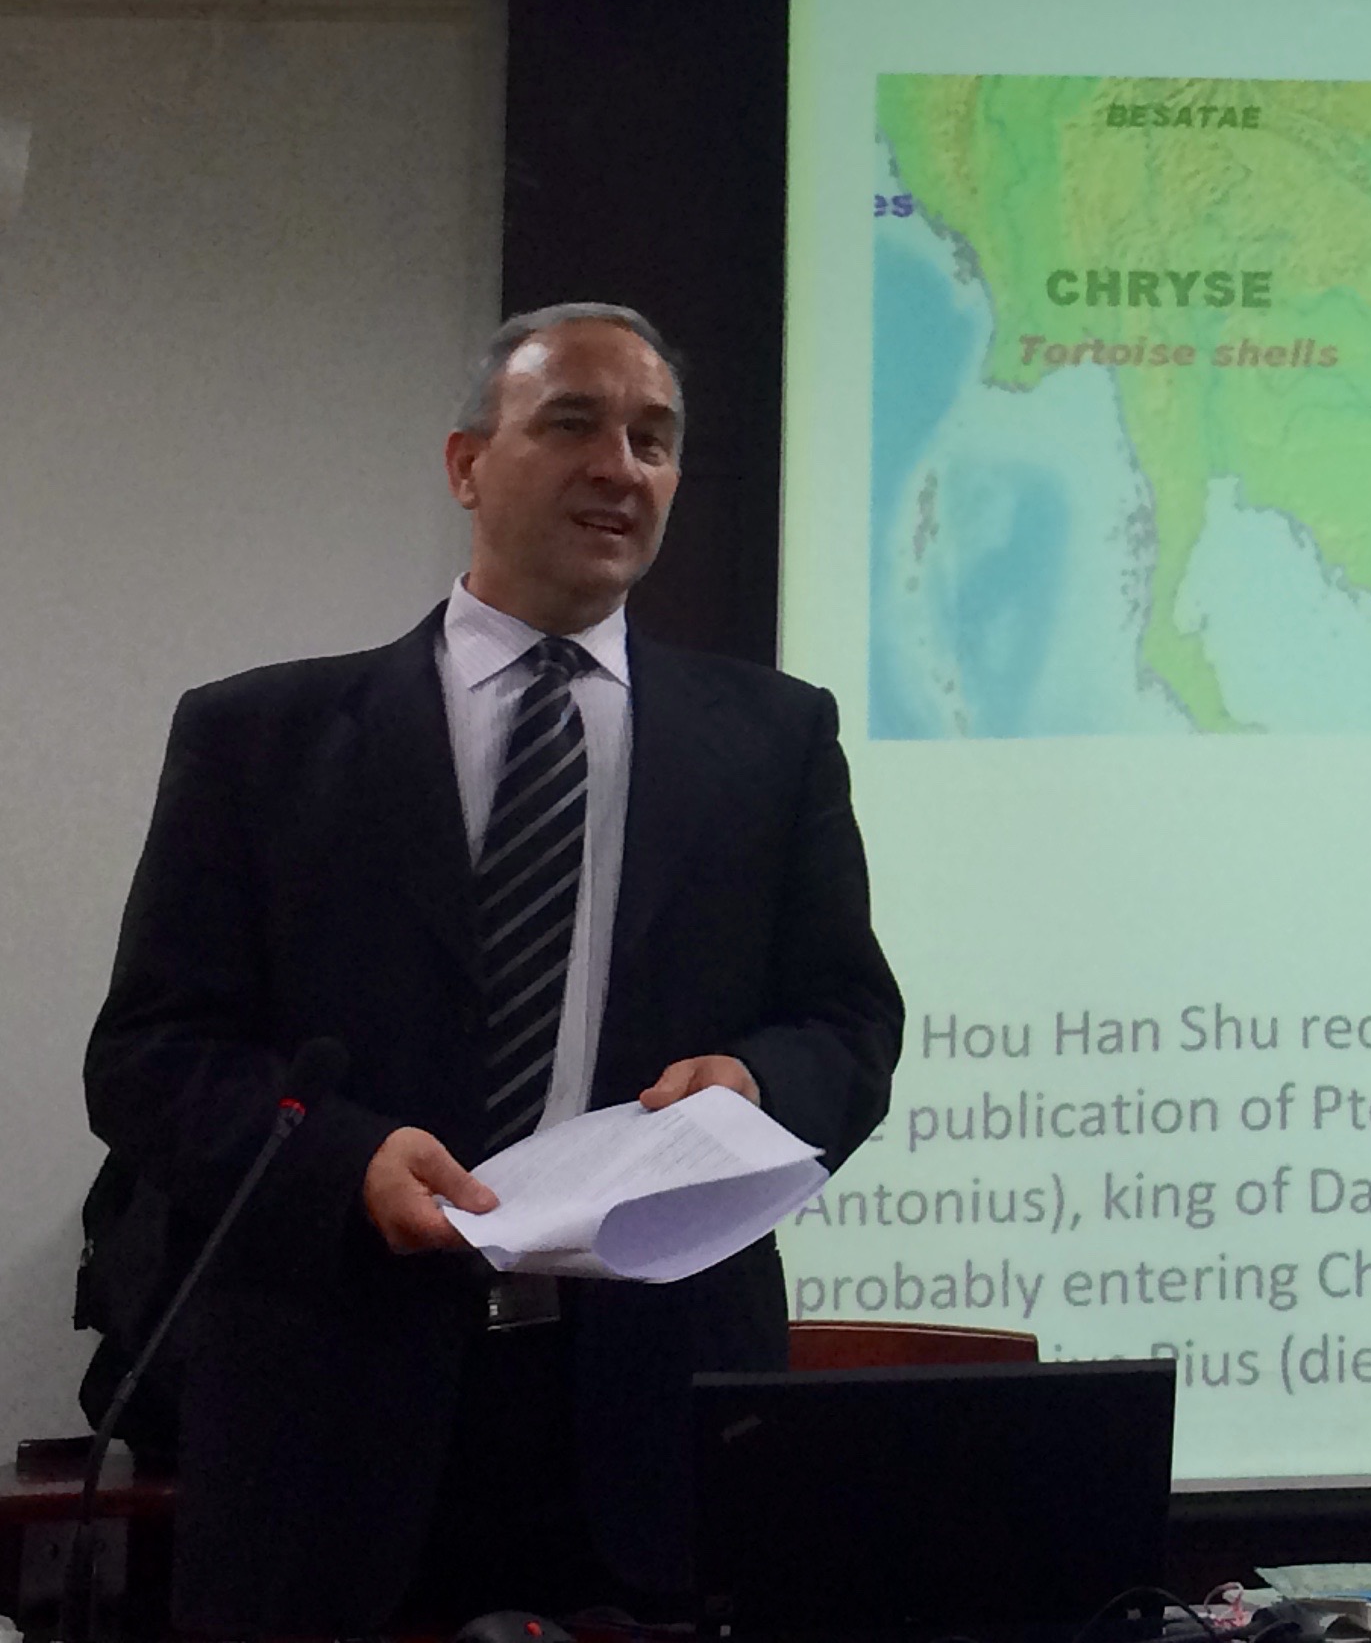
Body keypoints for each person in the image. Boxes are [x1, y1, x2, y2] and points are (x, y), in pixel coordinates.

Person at [83, 303, 905, 1633]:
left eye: (653, 438)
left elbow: (849, 1023)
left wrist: (755, 1086)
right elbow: (149, 1060)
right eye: (573, 423)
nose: (619, 466)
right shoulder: (262, 740)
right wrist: (342, 1159)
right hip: (332, 1426)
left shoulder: (773, 741)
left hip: (653, 1422)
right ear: (467, 464)